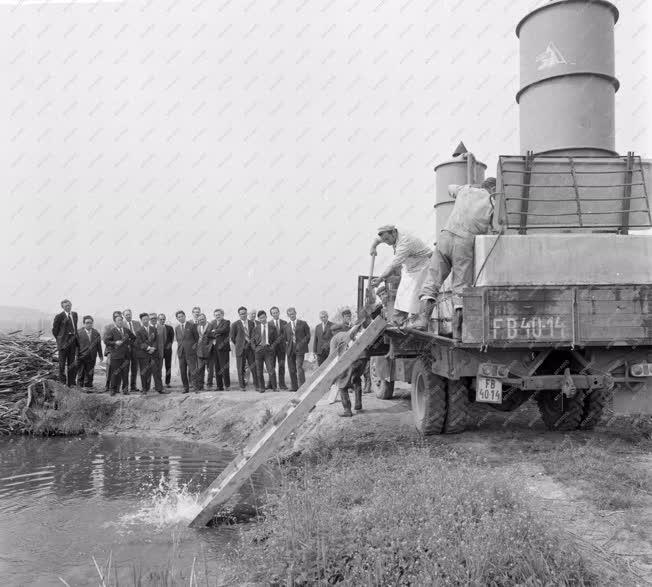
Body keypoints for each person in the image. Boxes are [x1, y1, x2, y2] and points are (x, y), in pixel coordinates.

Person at [415, 177, 496, 333]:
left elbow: (450, 187)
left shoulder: (465, 190)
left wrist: (469, 187)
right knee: (460, 286)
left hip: (445, 237)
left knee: (432, 280)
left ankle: (422, 321)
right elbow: (494, 230)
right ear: (493, 189)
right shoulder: (492, 202)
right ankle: (458, 332)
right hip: (465, 242)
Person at [370, 226, 432, 327]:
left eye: (387, 239)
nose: (386, 242)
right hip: (409, 268)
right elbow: (378, 240)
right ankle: (397, 321)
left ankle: (417, 323)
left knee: (414, 296)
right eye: (384, 240)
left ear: (394, 233)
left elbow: (393, 266)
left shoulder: (404, 242)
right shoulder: (389, 235)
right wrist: (373, 247)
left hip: (423, 266)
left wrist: (380, 279)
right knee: (401, 295)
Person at [103, 312, 136, 396]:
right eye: (118, 320)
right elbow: (106, 341)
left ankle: (125, 390)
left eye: (121, 320)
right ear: (115, 322)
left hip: (126, 356)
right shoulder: (112, 331)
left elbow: (134, 338)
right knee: (115, 373)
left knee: (125, 373)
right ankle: (112, 390)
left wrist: (129, 343)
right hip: (116, 356)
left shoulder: (126, 330)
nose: (120, 322)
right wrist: (115, 343)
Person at [51, 299, 79, 387]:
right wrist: (60, 340)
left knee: (72, 363)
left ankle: (71, 383)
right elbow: (54, 331)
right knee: (62, 364)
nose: (68, 307)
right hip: (63, 343)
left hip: (73, 342)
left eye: (69, 305)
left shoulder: (74, 315)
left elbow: (75, 327)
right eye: (66, 306)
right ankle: (62, 383)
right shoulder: (59, 317)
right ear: (62, 307)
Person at [230, 306, 258, 391]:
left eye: (244, 313)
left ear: (247, 313)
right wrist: (239, 344)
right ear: (239, 315)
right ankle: (242, 386)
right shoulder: (235, 324)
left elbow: (254, 335)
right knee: (240, 368)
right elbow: (232, 337)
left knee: (253, 367)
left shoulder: (251, 323)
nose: (243, 315)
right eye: (241, 314)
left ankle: (257, 385)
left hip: (250, 349)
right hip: (240, 349)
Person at [135, 313, 163, 393]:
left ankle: (159, 388)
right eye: (144, 320)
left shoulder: (153, 329)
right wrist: (148, 348)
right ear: (141, 321)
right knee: (144, 372)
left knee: (156, 372)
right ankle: (145, 389)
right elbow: (140, 343)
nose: (146, 321)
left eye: (147, 319)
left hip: (153, 354)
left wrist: (153, 348)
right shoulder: (138, 331)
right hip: (143, 355)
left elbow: (156, 340)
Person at [284, 307, 311, 391]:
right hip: (290, 350)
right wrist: (288, 347)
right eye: (290, 314)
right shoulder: (286, 326)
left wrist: (302, 344)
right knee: (292, 369)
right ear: (288, 315)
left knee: (299, 368)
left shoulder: (303, 323)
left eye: (293, 313)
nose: (291, 315)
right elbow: (285, 339)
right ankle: (294, 387)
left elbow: (308, 336)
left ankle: (302, 387)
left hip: (300, 349)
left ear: (295, 313)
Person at [252, 310, 278, 392]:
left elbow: (276, 340)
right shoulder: (256, 328)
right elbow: (252, 340)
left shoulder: (272, 327)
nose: (262, 319)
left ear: (266, 317)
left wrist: (272, 347)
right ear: (258, 319)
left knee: (271, 369)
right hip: (258, 350)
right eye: (260, 318)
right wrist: (255, 349)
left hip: (268, 350)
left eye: (263, 317)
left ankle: (275, 387)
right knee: (259, 371)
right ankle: (262, 388)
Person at [76, 315, 103, 390]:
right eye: (87, 323)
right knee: (81, 373)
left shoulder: (96, 333)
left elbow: (99, 345)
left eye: (91, 323)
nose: (89, 324)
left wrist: (100, 356)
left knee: (90, 373)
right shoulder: (78, 332)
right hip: (81, 356)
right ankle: (79, 388)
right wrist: (76, 355)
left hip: (92, 357)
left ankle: (89, 387)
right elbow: (75, 346)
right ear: (84, 324)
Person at [175, 310, 199, 393]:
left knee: (193, 371)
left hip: (191, 353)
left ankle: (196, 388)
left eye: (182, 316)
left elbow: (197, 339)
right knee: (183, 372)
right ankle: (186, 388)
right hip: (181, 353)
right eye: (178, 317)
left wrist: (193, 349)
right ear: (177, 319)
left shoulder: (192, 325)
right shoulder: (177, 328)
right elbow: (178, 340)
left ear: (185, 316)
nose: (180, 318)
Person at [207, 308, 231, 390]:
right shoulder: (212, 323)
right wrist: (216, 333)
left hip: (223, 348)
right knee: (217, 367)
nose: (217, 316)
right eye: (216, 315)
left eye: (219, 315)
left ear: (222, 315)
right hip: (214, 348)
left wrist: (215, 331)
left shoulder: (226, 322)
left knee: (224, 367)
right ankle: (219, 386)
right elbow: (208, 333)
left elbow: (224, 330)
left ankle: (227, 385)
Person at [150, 313, 170, 394]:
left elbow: (164, 340)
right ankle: (150, 386)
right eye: (151, 318)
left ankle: (158, 386)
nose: (153, 319)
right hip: (149, 353)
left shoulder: (162, 327)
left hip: (159, 353)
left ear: (157, 319)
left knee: (159, 370)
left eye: (155, 318)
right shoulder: (147, 328)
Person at [269, 306, 288, 390]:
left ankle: (282, 384)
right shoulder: (268, 324)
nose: (275, 314)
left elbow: (286, 335)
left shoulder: (284, 323)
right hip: (271, 349)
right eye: (273, 313)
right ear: (271, 314)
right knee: (271, 367)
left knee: (281, 366)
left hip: (281, 349)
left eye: (276, 312)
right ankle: (271, 384)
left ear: (279, 312)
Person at [122, 309, 141, 392]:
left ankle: (133, 387)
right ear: (124, 316)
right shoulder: (121, 324)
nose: (128, 316)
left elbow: (140, 335)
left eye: (129, 314)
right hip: (126, 350)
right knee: (125, 369)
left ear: (131, 314)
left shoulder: (137, 323)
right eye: (126, 315)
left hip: (136, 349)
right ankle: (125, 387)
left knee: (134, 368)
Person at [195, 313, 212, 391]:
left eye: (202, 319)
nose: (201, 321)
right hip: (200, 352)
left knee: (210, 369)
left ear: (205, 318)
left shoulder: (211, 325)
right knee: (200, 369)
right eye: (199, 320)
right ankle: (200, 385)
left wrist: (210, 347)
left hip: (210, 351)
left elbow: (214, 337)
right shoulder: (198, 327)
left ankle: (209, 385)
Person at [158, 313, 174, 387]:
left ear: (165, 319)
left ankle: (167, 382)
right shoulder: (155, 328)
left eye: (163, 319)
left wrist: (167, 348)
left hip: (167, 350)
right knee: (158, 367)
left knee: (168, 367)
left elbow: (171, 340)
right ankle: (158, 382)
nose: (162, 320)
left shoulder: (170, 328)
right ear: (158, 320)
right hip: (159, 351)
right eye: (160, 319)